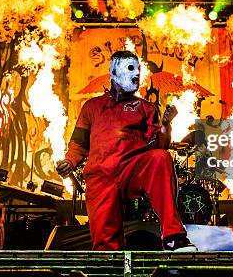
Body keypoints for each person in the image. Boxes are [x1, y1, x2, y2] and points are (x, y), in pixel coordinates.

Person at [57, 50, 197, 251]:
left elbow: (159, 147)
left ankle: (174, 236)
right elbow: (79, 142)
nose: (136, 74)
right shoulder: (92, 107)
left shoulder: (145, 108)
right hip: (101, 177)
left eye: (138, 70)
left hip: (131, 171)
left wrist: (166, 125)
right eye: (130, 69)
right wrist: (69, 161)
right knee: (105, 246)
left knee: (160, 158)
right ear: (114, 72)